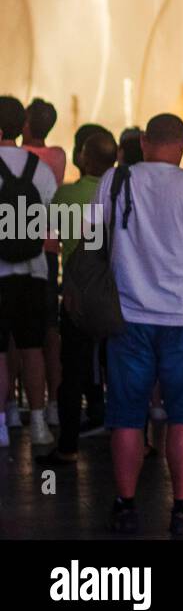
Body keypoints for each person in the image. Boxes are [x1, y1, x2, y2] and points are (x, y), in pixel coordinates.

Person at [95, 113, 183, 535]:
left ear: (142, 140)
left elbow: (91, 234)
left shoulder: (114, 181)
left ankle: (125, 506)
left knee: (127, 416)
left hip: (129, 318)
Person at [47, 129, 117, 464]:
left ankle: (68, 445)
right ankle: (129, 437)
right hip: (116, 295)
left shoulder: (66, 195)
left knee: (71, 370)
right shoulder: (122, 195)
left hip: (77, 294)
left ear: (84, 158)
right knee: (118, 365)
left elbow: (53, 236)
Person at [0, 96, 60, 451]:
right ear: (20, 125)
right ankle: (39, 421)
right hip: (34, 271)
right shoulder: (38, 168)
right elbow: (50, 221)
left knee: (1, 352)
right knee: (32, 346)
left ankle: (4, 426)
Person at [22, 98, 66, 428]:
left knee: (15, 335)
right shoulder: (57, 157)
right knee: (51, 329)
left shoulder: (18, 158)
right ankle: (54, 403)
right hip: (48, 251)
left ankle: (14, 406)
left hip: (14, 252)